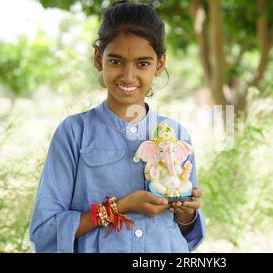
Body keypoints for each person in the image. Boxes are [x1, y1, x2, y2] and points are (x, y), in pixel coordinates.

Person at [29, 0, 205, 253]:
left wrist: (186, 212)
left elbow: (186, 233)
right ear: (99, 58)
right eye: (116, 61)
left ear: (160, 64)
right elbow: (45, 230)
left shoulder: (176, 134)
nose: (128, 76)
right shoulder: (74, 133)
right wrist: (120, 207)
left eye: (142, 63)